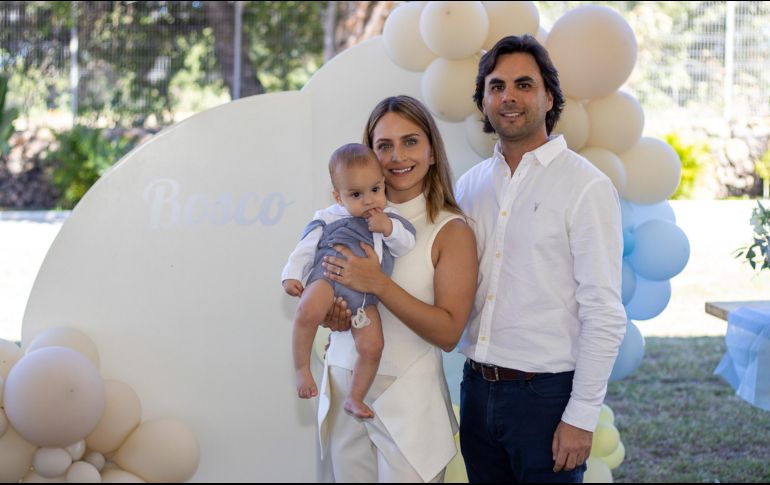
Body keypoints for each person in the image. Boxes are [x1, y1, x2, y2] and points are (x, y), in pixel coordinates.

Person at [454, 34, 627, 483]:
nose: (508, 96)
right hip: (476, 391)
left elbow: (603, 312)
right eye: (496, 86)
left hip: (546, 400)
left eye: (524, 84)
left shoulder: (586, 186)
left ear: (549, 97)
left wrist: (581, 416)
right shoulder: (470, 186)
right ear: (483, 101)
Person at [319, 95, 478, 482]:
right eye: (384, 145)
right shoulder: (337, 218)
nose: (397, 156)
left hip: (410, 405)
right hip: (343, 384)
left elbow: (449, 332)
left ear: (432, 152)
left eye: (410, 141)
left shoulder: (450, 230)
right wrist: (334, 316)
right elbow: (328, 291)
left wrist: (378, 283)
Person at [281, 143, 416, 419]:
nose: (369, 200)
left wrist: (388, 228)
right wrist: (291, 274)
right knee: (307, 309)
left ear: (383, 184)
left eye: (375, 189)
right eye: (356, 194)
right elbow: (305, 247)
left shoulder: (390, 217)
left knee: (373, 346)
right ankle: (301, 369)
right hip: (327, 279)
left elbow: (406, 245)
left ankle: (355, 397)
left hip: (364, 297)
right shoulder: (327, 217)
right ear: (338, 197)